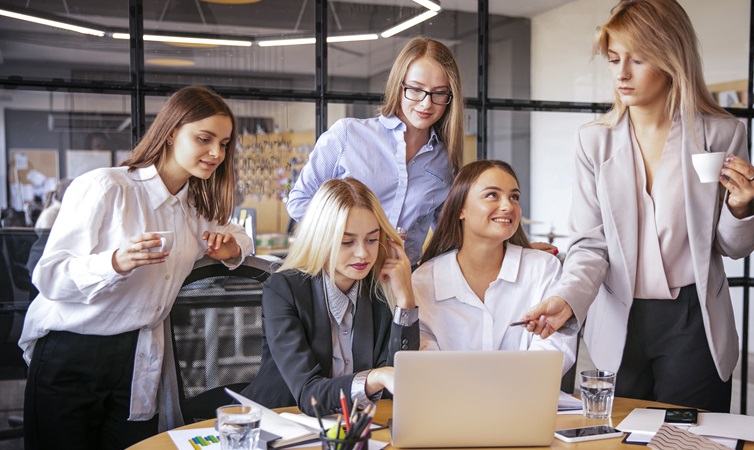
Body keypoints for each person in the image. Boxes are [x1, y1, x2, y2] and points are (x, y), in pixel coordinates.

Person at [519, 0, 754, 413]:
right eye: (614, 59)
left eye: (639, 59)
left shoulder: (722, 133)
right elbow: (589, 246)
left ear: (672, 58)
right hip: (619, 316)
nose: (621, 73)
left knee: (690, 438)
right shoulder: (593, 141)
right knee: (618, 434)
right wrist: (567, 298)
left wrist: (741, 207)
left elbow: (732, 247)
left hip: (694, 319)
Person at [20, 85, 254, 449]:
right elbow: (49, 277)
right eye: (204, 139)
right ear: (171, 131)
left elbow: (239, 235)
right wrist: (115, 262)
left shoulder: (194, 208)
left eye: (224, 144)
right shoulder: (107, 187)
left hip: (140, 355)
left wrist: (233, 245)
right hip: (73, 351)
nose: (216, 153)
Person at [242, 177, 419, 416]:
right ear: (321, 239)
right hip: (281, 424)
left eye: (371, 239)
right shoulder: (283, 289)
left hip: (353, 428)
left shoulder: (380, 290)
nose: (362, 253)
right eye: (347, 241)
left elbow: (398, 385)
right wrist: (375, 377)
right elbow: (308, 393)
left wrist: (405, 301)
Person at [286, 36, 463, 267]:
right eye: (416, 89)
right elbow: (299, 202)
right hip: (342, 276)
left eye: (439, 93)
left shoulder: (444, 161)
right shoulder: (348, 135)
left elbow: (448, 234)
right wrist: (355, 235)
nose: (426, 103)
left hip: (401, 282)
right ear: (398, 86)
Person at [411, 160, 577, 375]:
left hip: (524, 402)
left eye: (514, 197)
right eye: (492, 195)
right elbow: (425, 358)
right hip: (452, 404)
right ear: (460, 208)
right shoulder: (425, 279)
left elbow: (554, 348)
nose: (508, 206)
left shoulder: (543, 268)